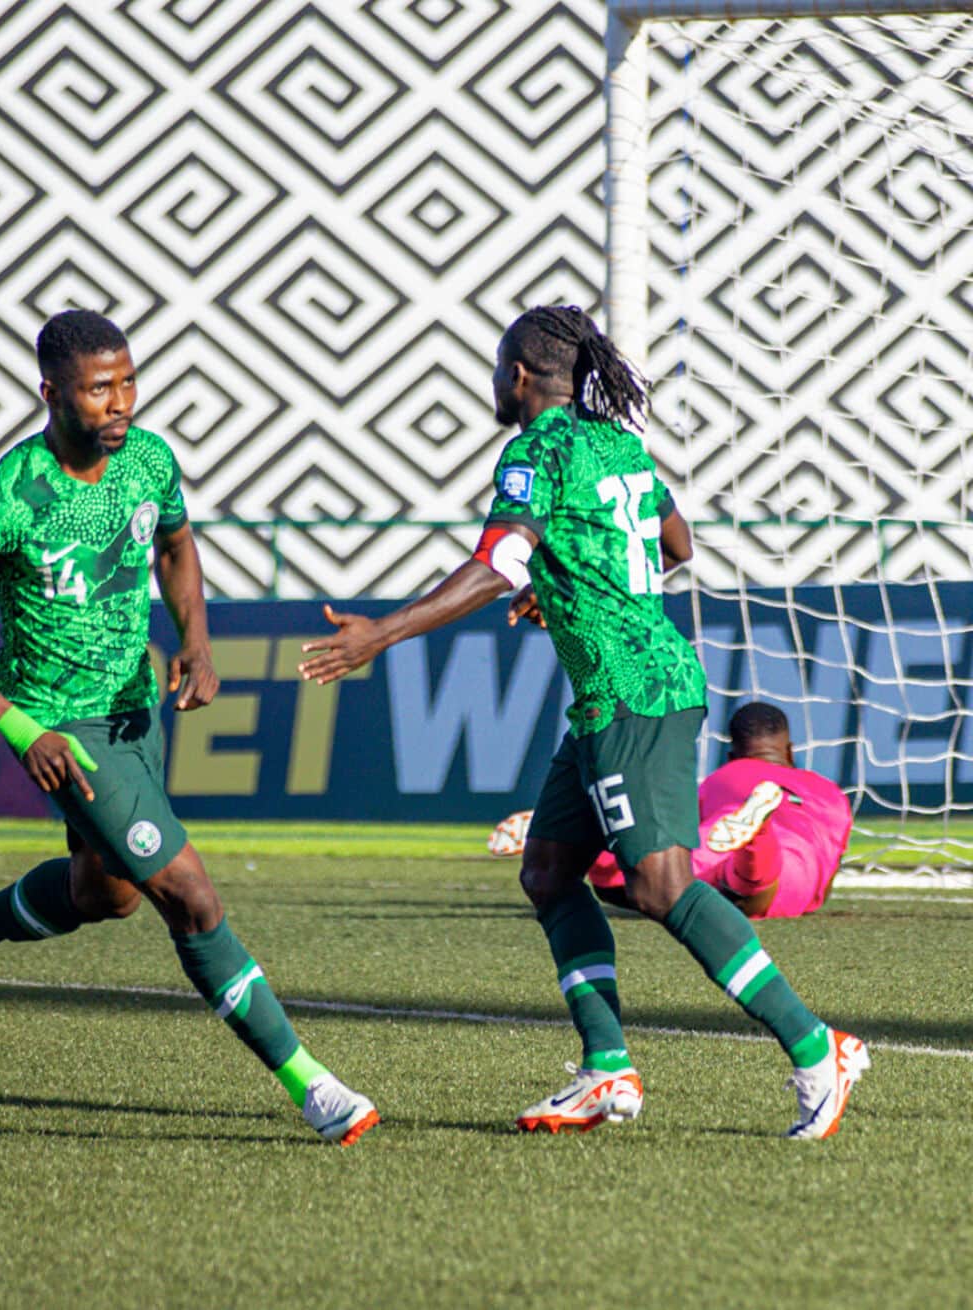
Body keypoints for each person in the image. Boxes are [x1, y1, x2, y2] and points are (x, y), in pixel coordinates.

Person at [301, 305, 866, 1139]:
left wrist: (379, 635)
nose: (497, 384)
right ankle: (606, 1067)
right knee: (549, 870)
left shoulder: (537, 451)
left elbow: (496, 562)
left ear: (521, 375)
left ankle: (818, 1048)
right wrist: (568, 579)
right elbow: (677, 541)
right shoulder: (619, 444)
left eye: (500, 370)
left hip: (628, 692)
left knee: (660, 885)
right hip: (630, 684)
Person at [0, 308, 378, 1145]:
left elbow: (176, 546)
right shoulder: (7, 497)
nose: (120, 403)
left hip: (134, 710)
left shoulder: (150, 459)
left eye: (128, 382)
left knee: (107, 893)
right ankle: (313, 1084)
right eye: (99, 389)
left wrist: (195, 639)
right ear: (50, 393)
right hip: (62, 727)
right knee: (189, 897)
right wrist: (21, 731)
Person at [586, 701, 852, 919]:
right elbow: (824, 886)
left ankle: (601, 835)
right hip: (798, 853)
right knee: (748, 895)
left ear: (732, 756)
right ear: (790, 752)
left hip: (717, 833)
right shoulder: (831, 794)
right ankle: (758, 836)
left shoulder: (721, 778)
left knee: (637, 882)